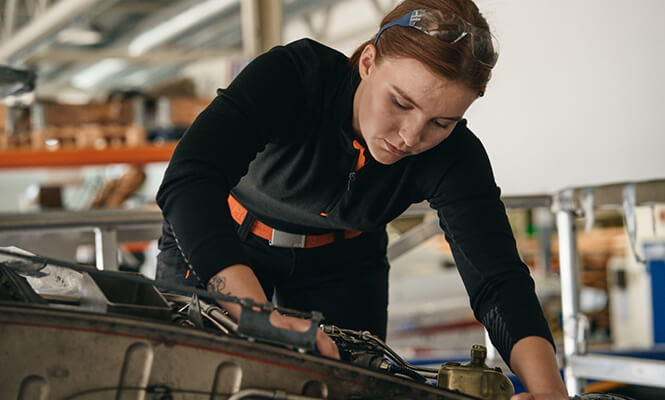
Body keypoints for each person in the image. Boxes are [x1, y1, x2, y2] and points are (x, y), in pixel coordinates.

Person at [155, 0, 568, 398]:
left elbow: (497, 280)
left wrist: (549, 390)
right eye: (400, 103)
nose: (411, 136)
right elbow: (190, 178)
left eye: (441, 123)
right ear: (368, 62)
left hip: (343, 263)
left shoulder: (454, 155)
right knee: (185, 380)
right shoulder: (295, 75)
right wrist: (255, 315)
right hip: (224, 237)